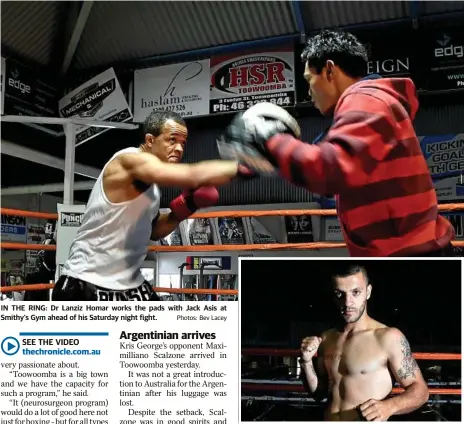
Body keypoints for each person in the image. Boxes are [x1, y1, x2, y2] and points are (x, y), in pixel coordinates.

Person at [218, 29, 455, 257]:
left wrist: (269, 138)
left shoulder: (365, 98)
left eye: (309, 79)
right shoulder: (370, 106)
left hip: (411, 257)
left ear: (330, 70)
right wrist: (265, 157)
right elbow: (321, 157)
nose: (309, 93)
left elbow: (331, 170)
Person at [53, 110, 243, 301]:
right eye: (172, 140)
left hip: (129, 285)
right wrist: (243, 166)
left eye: (183, 143)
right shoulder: (128, 161)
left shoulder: (152, 187)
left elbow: (152, 231)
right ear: (150, 140)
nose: (179, 148)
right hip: (85, 282)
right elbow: (192, 175)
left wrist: (186, 207)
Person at [300, 265, 429, 421]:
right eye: (340, 294)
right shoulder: (327, 338)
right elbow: (318, 394)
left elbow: (420, 391)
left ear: (367, 292)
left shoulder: (388, 337)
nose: (348, 302)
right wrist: (306, 362)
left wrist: (389, 406)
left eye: (356, 292)